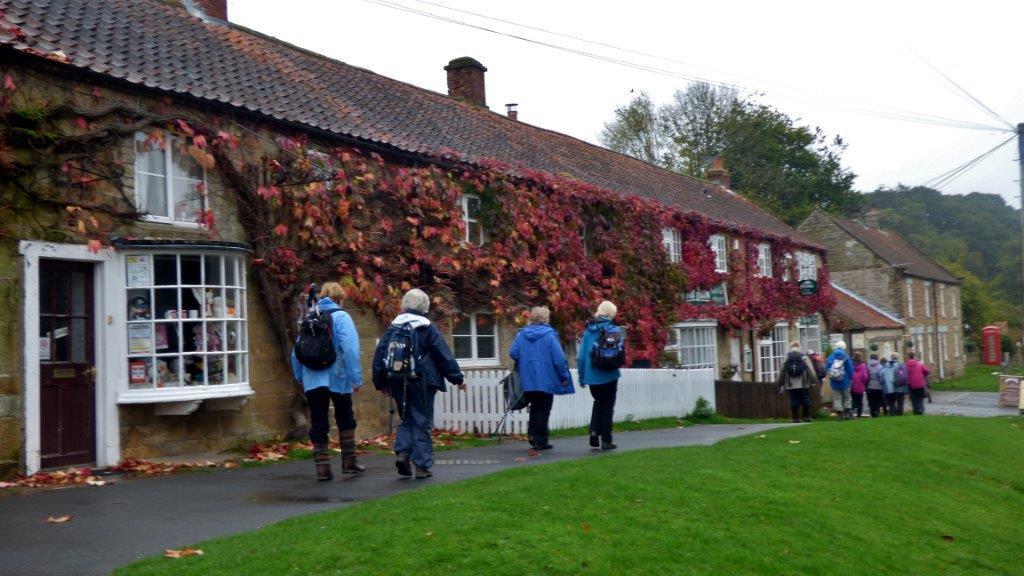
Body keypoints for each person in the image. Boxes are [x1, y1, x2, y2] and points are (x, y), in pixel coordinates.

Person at [372, 289, 465, 479]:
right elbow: (443, 356)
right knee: (422, 420)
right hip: (422, 381)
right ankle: (422, 465)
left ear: (404, 305)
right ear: (424, 307)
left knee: (406, 418)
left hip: (398, 381)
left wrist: (380, 382)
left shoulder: (393, 328)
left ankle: (403, 453)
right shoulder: (427, 327)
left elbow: (380, 356)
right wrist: (458, 378)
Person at [290, 282, 363, 481]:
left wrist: (300, 377)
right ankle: (349, 462)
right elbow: (350, 349)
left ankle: (322, 467)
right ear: (340, 299)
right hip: (338, 377)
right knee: (345, 417)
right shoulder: (342, 317)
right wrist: (356, 378)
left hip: (312, 378)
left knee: (319, 420)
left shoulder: (310, 317)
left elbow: (296, 352)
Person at [509, 306, 574, 450]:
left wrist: (526, 359)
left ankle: (532, 435)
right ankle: (540, 440)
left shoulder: (522, 334)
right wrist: (564, 377)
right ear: (545, 319)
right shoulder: (549, 334)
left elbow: (513, 352)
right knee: (544, 408)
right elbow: (559, 358)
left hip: (527, 378)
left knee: (534, 407)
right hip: (546, 378)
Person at [577, 300, 623, 450]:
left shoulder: (588, 331)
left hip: (592, 375)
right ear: (611, 315)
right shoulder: (614, 330)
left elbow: (581, 357)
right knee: (607, 406)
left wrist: (582, 377)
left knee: (598, 402)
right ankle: (606, 439)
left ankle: (594, 432)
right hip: (609, 374)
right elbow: (620, 353)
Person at [775, 341, 820, 422]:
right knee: (805, 399)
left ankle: (795, 418)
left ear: (790, 347)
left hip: (791, 384)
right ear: (799, 347)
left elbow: (782, 371)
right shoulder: (803, 357)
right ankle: (806, 417)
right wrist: (814, 381)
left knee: (794, 400)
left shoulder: (787, 357)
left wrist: (780, 383)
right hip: (803, 383)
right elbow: (810, 369)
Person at [825, 341, 855, 419]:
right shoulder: (846, 356)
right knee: (847, 397)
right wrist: (851, 378)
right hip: (845, 380)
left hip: (834, 381)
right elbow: (850, 369)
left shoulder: (831, 356)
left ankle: (840, 415)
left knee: (837, 397)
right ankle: (848, 414)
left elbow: (827, 368)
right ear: (844, 348)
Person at [850, 352, 868, 418]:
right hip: (860, 386)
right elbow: (865, 377)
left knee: (853, 400)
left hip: (852, 385)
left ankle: (850, 411)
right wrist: (864, 384)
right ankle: (859, 415)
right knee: (860, 401)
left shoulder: (851, 364)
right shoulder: (863, 366)